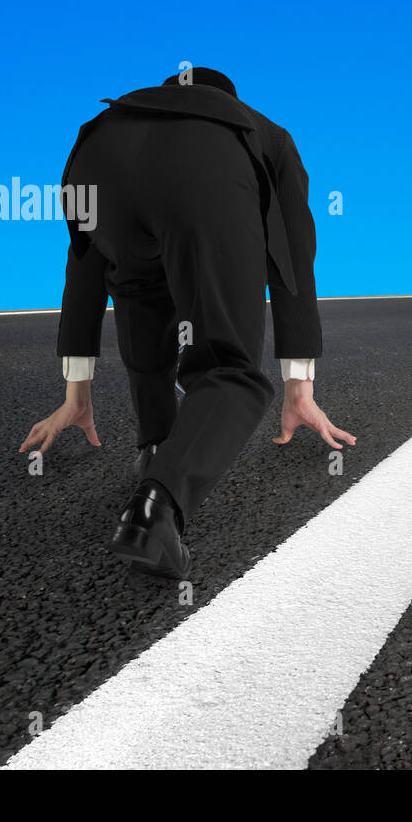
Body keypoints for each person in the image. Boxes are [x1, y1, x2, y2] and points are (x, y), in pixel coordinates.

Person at [19, 67, 354, 580]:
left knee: (139, 299)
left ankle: (157, 449)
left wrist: (76, 390)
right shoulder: (261, 131)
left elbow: (85, 265)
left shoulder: (125, 114)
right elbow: (292, 259)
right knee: (230, 369)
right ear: (226, 99)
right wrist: (299, 385)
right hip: (202, 173)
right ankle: (154, 509)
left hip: (94, 159)